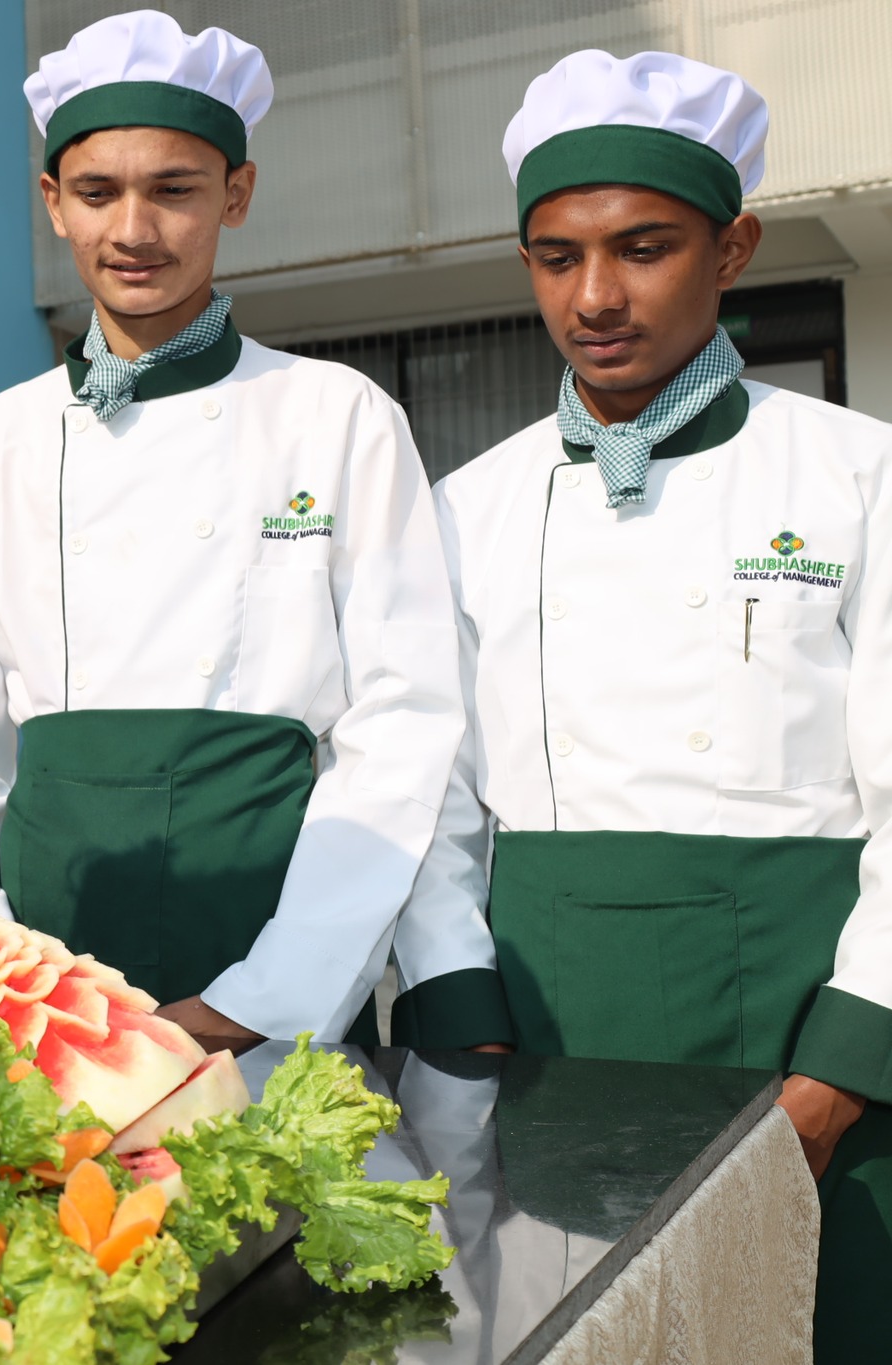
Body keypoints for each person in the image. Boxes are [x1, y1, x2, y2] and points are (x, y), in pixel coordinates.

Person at [0, 11, 509, 1053]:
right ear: (52, 204)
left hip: (274, 942)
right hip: (43, 965)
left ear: (236, 193)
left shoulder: (339, 417)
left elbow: (400, 724)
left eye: (173, 189)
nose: (133, 230)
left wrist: (268, 989)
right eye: (96, 192)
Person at [404, 49, 890, 1360]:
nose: (596, 296)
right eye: (556, 257)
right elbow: (431, 791)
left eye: (645, 247)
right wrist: (460, 1011)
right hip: (546, 1048)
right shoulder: (467, 508)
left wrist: (840, 1073)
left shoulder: (860, 475)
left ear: (733, 249)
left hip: (804, 1035)